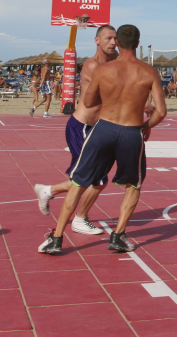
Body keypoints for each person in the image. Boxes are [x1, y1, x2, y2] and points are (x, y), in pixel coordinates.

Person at [39, 25, 167, 255]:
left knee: (79, 183)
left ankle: (56, 238)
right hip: (130, 132)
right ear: (138, 44)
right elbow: (160, 112)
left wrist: (111, 95)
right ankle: (118, 236)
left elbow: (88, 102)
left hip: (103, 130)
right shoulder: (149, 72)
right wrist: (146, 127)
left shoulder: (103, 70)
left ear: (118, 42)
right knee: (133, 185)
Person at [35, 26, 132, 236]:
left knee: (92, 179)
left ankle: (49, 192)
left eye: (115, 39)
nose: (113, 42)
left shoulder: (117, 59)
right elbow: (111, 94)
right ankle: (77, 218)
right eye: (108, 38)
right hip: (82, 128)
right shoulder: (92, 65)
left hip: (98, 128)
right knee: (95, 179)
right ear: (97, 40)